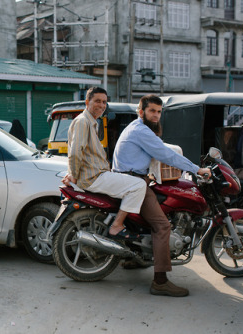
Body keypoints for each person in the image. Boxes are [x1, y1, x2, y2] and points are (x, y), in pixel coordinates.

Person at [112, 94, 211, 297]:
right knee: (163, 225)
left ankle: (135, 258)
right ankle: (160, 281)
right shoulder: (141, 130)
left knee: (150, 218)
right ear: (141, 112)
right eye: (152, 111)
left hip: (131, 179)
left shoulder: (138, 127)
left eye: (159, 111)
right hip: (133, 182)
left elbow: (159, 149)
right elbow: (166, 154)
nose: (156, 115)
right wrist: (196, 169)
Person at [63, 86, 146, 239]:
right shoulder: (83, 122)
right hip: (94, 178)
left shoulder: (92, 122)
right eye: (97, 101)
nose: (101, 105)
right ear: (87, 102)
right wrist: (74, 176)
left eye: (104, 102)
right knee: (139, 185)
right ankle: (117, 225)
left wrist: (71, 173)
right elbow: (75, 153)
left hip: (97, 175)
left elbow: (82, 153)